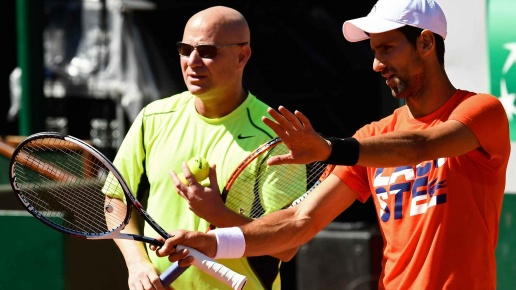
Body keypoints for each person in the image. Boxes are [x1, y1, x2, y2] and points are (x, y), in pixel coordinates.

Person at [153, 0, 511, 289]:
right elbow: (298, 221)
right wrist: (212, 242)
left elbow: (421, 145)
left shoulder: (481, 111)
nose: (376, 64)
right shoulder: (372, 137)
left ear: (426, 43)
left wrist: (329, 149)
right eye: (374, 51)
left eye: (387, 49)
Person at [111, 5, 296, 290]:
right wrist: (137, 264)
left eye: (208, 52)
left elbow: (286, 245)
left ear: (242, 56)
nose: (192, 61)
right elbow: (115, 198)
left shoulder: (274, 136)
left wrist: (219, 216)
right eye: (185, 49)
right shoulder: (153, 117)